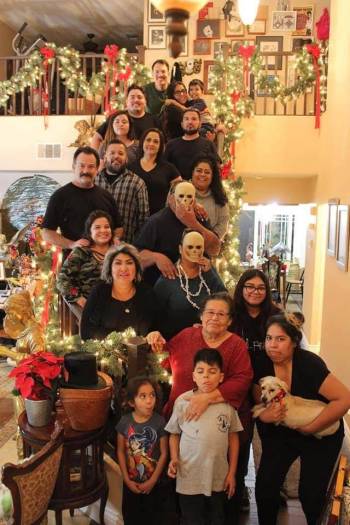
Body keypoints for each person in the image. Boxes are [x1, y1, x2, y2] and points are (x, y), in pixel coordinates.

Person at [252, 313, 350, 525]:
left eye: (280, 339)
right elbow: (256, 398)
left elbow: (344, 398)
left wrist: (311, 427)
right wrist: (265, 414)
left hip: (321, 430)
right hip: (283, 431)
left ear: (294, 342)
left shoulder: (310, 364)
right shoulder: (261, 363)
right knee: (266, 487)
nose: (272, 345)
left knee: (311, 494)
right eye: (269, 338)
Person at [147, 292, 253, 421]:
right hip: (179, 417)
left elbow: (242, 380)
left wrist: (207, 398)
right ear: (201, 316)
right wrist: (157, 343)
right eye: (210, 312)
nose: (214, 318)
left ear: (229, 321)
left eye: (221, 314)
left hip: (216, 423)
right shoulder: (187, 335)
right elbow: (165, 361)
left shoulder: (237, 345)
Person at [166, 349, 242, 525]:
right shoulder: (182, 401)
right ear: (193, 375)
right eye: (200, 372)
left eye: (212, 372)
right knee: (191, 519)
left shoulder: (227, 404)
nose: (206, 377)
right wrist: (174, 458)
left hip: (218, 477)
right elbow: (174, 434)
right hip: (189, 476)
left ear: (221, 377)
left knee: (216, 518)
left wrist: (232, 473)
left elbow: (234, 438)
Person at [229, 269, 280, 512]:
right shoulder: (232, 316)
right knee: (241, 440)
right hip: (238, 387)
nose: (255, 292)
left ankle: (271, 488)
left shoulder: (275, 316)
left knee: (271, 442)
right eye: (249, 286)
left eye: (260, 288)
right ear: (241, 288)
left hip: (267, 388)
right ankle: (238, 491)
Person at [134, 180, 221, 285]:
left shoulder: (200, 218)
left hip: (199, 285)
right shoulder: (156, 221)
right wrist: (155, 257)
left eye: (189, 196)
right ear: (171, 198)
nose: (185, 200)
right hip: (164, 287)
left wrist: (193, 223)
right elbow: (135, 256)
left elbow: (215, 249)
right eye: (181, 195)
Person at [42, 146, 123, 252]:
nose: (86, 170)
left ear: (97, 169)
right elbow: (47, 233)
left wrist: (115, 239)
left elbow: (119, 228)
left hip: (104, 262)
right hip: (73, 263)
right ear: (73, 166)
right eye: (82, 166)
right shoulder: (60, 196)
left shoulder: (107, 196)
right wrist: (72, 244)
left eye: (91, 167)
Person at [154, 229, 226, 339]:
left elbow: (225, 301)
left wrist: (209, 274)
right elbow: (155, 315)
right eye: (190, 247)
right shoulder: (169, 276)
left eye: (198, 247)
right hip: (175, 342)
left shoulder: (209, 272)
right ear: (180, 249)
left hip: (207, 340)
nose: (194, 251)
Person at [116, 376, 168, 525]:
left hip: (154, 486)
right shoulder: (124, 422)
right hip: (130, 485)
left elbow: (164, 453)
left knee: (153, 517)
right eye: (143, 396)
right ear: (132, 402)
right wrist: (126, 479)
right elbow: (120, 451)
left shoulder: (159, 422)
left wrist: (152, 480)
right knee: (131, 517)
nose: (149, 400)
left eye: (152, 395)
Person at [80, 244, 157, 340]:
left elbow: (155, 327)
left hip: (140, 353)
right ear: (110, 268)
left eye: (129, 263)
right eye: (118, 263)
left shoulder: (147, 293)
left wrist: (154, 335)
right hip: (104, 353)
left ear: (136, 268)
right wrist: (121, 341)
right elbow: (86, 331)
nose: (124, 268)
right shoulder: (99, 292)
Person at [57, 210, 114, 308]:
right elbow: (62, 280)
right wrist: (80, 299)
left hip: (117, 308)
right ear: (89, 231)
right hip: (89, 310)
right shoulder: (81, 252)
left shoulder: (119, 252)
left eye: (107, 227)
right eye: (97, 227)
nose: (103, 230)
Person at [95, 139, 149, 243]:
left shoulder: (137, 183)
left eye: (120, 153)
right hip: (96, 247)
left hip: (125, 246)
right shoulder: (94, 180)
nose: (116, 156)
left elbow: (143, 219)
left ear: (126, 158)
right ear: (105, 157)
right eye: (112, 153)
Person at [128, 128, 181, 215]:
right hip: (134, 217)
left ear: (161, 146)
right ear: (142, 142)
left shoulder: (169, 168)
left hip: (159, 219)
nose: (151, 144)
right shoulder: (130, 167)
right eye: (148, 140)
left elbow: (180, 191)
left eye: (156, 141)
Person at [91, 85, 160, 150]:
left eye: (139, 97)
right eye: (132, 97)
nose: (136, 100)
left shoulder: (154, 120)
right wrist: (96, 159)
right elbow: (96, 138)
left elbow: (162, 143)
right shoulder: (116, 118)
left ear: (145, 101)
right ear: (127, 101)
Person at [164, 109, 220, 180]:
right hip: (177, 188)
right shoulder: (171, 145)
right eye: (186, 119)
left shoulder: (208, 144)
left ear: (200, 124)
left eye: (194, 119)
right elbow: (164, 169)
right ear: (182, 123)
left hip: (201, 188)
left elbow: (216, 169)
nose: (190, 122)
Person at [191, 156, 229, 240]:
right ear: (192, 172)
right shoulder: (181, 190)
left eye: (207, 172)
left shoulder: (219, 198)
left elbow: (222, 226)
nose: (202, 174)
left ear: (212, 176)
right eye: (199, 171)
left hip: (208, 247)